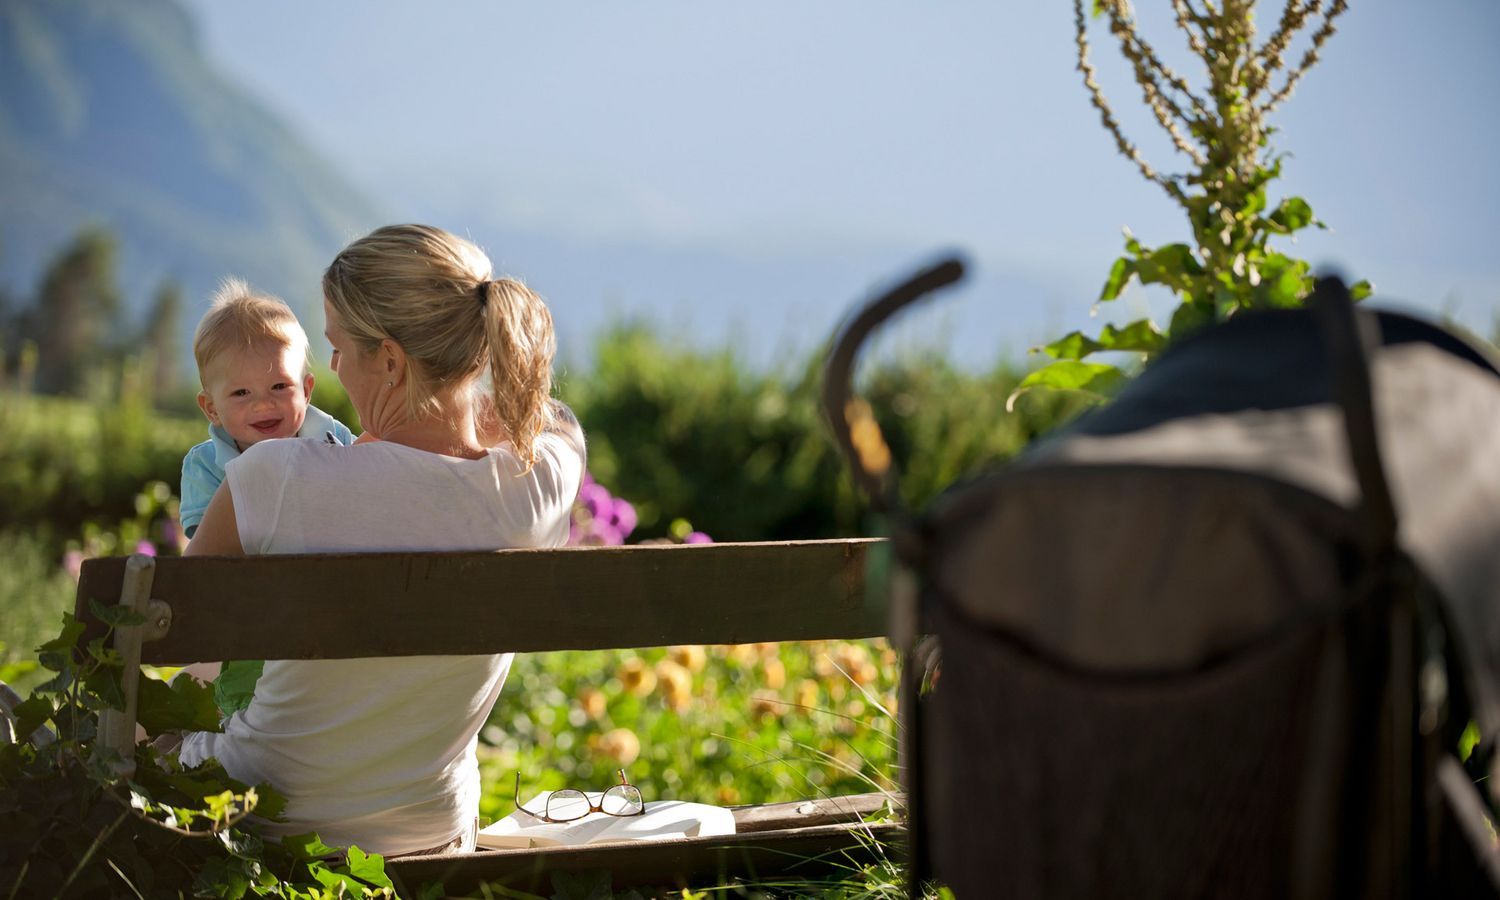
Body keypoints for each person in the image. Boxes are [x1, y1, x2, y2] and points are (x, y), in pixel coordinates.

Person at [178, 224, 586, 857]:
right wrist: (449, 409)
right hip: (432, 829)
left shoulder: (274, 476)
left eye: (339, 348)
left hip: (264, 814)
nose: (333, 368)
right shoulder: (541, 483)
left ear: (391, 361)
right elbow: (558, 422)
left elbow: (180, 623)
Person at [181, 279, 356, 719]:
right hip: (247, 623)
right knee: (236, 688)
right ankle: (239, 724)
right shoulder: (205, 466)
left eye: (280, 386)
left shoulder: (337, 442)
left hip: (327, 617)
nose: (264, 405)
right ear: (211, 408)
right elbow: (209, 555)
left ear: (307, 388)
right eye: (241, 393)